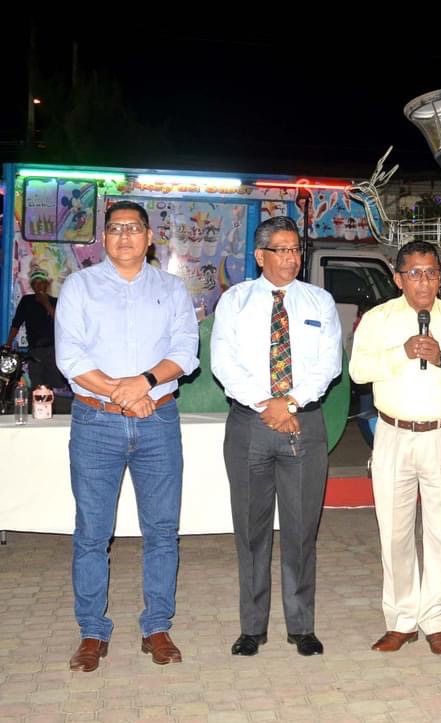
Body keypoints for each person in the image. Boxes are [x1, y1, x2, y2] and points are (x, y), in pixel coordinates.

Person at [55, 201, 199, 672]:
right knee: (92, 533)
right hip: (96, 423)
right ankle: (92, 631)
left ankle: (157, 626)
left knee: (162, 531)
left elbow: (186, 350)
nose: (124, 236)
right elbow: (70, 357)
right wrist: (124, 393)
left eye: (133, 228)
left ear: (149, 237)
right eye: (115, 228)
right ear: (104, 237)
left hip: (158, 421)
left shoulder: (171, 289)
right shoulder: (79, 287)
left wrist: (144, 384)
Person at [349, 240, 441, 655]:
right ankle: (401, 621)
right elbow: (358, 371)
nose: (424, 281)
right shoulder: (377, 320)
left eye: (431, 273)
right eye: (414, 273)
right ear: (398, 279)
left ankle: (438, 621)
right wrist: (402, 352)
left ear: (440, 278)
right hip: (393, 434)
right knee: (394, 532)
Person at [211, 216, 342, 657]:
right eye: (281, 250)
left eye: (295, 250)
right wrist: (267, 405)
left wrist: (289, 403)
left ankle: (301, 626)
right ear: (259, 255)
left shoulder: (319, 301)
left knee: (302, 529)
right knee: (252, 531)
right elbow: (224, 362)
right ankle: (252, 628)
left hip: (304, 423)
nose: (290, 258)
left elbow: (329, 365)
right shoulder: (236, 301)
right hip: (250, 424)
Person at [6, 268, 65, 390]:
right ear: (32, 286)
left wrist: (46, 303)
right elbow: (16, 323)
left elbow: (61, 322)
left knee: (54, 387)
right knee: (37, 387)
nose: (38, 286)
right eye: (35, 283)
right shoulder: (26, 301)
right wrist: (9, 343)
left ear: (46, 284)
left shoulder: (55, 301)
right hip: (35, 351)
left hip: (53, 350)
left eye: (41, 282)